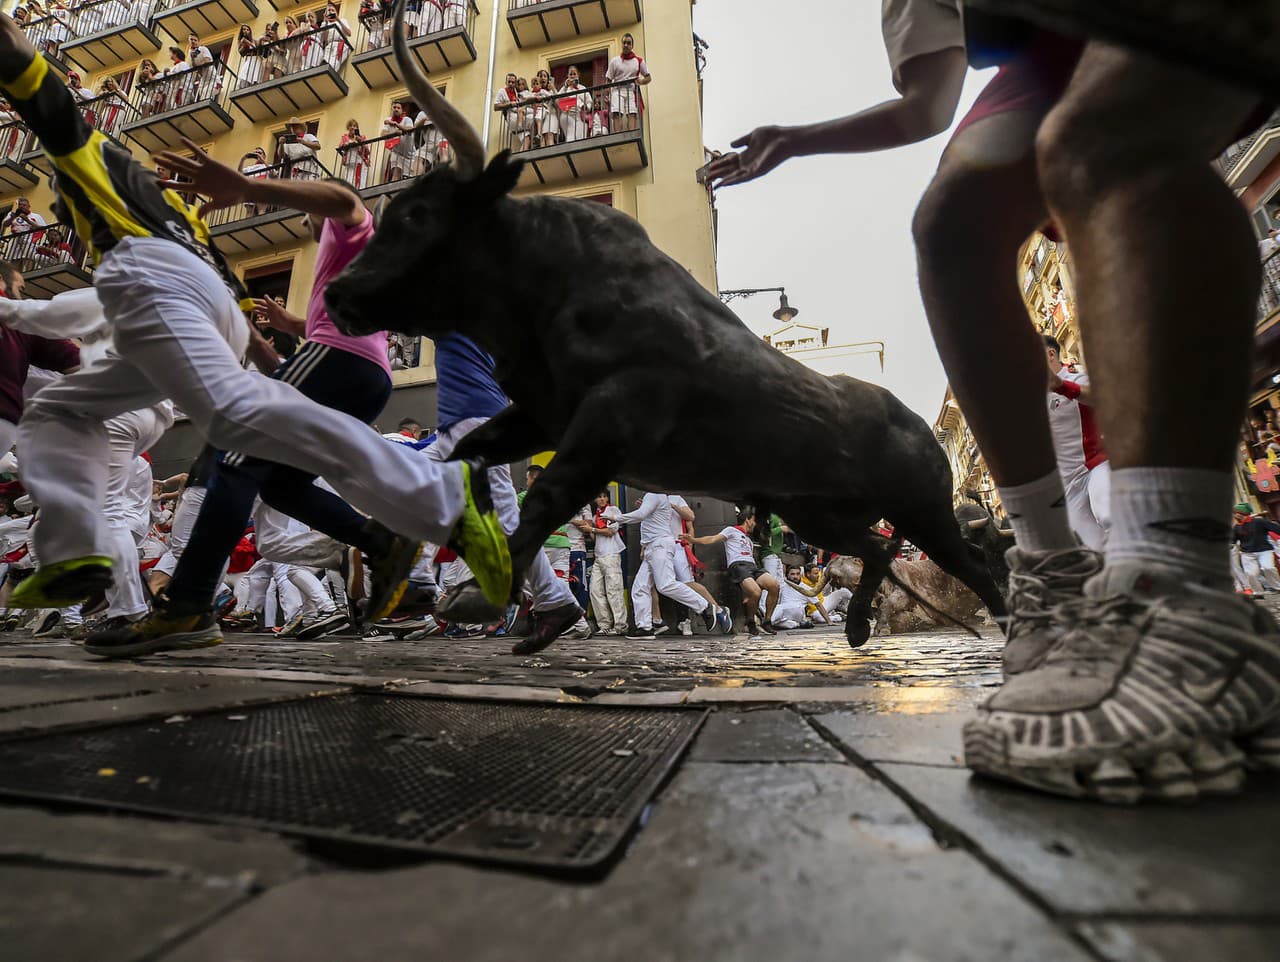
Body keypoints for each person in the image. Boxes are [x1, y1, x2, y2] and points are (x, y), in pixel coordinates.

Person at [710, 1, 1280, 802]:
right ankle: (1053, 582)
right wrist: (798, 139)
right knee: (951, 223)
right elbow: (927, 106)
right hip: (1063, 44)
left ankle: (1185, 602)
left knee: (1104, 145)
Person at [0, 20, 510, 655]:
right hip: (199, 298)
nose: (56, 209)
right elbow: (205, 300)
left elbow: (345, 198)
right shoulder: (179, 213)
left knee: (240, 430)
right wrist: (268, 338)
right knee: (67, 409)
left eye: (58, 202)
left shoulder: (100, 165)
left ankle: (442, 498)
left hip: (165, 284)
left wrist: (243, 187)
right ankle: (80, 557)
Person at [424, 334, 591, 654]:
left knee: (503, 515)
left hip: (472, 422)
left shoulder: (463, 305)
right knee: (401, 482)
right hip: (458, 424)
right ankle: (414, 589)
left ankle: (555, 601)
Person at [619, 491, 731, 641]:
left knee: (682, 583)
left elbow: (690, 517)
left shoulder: (675, 498)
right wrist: (644, 545)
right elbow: (646, 521)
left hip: (675, 545)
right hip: (655, 545)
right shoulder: (651, 499)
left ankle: (715, 609)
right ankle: (650, 624)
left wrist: (670, 506)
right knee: (644, 585)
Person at [1044, 334, 1110, 548]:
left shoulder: (1078, 379)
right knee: (1091, 548)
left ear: (1050, 353)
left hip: (1096, 466)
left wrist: (1061, 386)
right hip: (1068, 483)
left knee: (1108, 513)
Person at [681, 508, 780, 640]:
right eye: (754, 520)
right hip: (738, 565)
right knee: (755, 592)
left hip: (752, 566)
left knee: (774, 585)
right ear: (748, 519)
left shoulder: (749, 540)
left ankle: (767, 621)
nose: (755, 524)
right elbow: (712, 539)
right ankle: (750, 621)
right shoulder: (731, 530)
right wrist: (693, 540)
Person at [586, 488, 626, 634]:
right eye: (599, 496)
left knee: (614, 591)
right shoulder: (595, 515)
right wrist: (590, 529)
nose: (602, 499)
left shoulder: (613, 510)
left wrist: (592, 529)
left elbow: (610, 531)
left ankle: (620, 626)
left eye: (604, 496)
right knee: (595, 591)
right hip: (599, 555)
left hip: (611, 554)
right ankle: (605, 625)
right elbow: (595, 537)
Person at [604, 33, 649, 132]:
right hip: (617, 90)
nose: (626, 45)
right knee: (616, 112)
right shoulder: (615, 61)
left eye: (628, 43)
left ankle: (631, 134)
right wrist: (607, 95)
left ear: (632, 45)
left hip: (631, 90)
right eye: (624, 43)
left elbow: (648, 77)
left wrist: (641, 81)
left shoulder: (639, 61)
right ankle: (617, 134)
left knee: (632, 112)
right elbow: (608, 79)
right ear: (621, 44)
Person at [1231, 503, 1280, 594]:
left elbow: (1276, 529)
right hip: (1247, 553)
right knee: (1251, 574)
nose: (1235, 515)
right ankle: (1258, 592)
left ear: (1243, 513)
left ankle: (1277, 587)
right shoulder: (1237, 527)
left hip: (1264, 550)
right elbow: (1233, 540)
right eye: (1234, 513)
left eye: (1237, 512)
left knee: (1268, 567)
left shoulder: (1259, 522)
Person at [276, 116, 321, 180]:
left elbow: (318, 146)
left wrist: (303, 142)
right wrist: (281, 144)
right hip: (296, 171)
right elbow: (281, 156)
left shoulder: (309, 136)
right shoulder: (287, 143)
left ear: (301, 128)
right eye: (292, 127)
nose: (293, 129)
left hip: (311, 170)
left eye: (296, 127)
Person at [380, 101, 414, 181]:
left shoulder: (407, 119)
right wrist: (395, 133)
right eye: (394, 107)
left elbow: (410, 129)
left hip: (410, 154)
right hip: (396, 152)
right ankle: (393, 193)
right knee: (396, 173)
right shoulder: (388, 120)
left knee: (409, 178)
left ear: (402, 111)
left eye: (398, 108)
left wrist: (396, 124)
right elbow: (383, 134)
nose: (396, 109)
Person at [557, 65, 591, 143]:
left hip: (579, 115)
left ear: (578, 75)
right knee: (570, 135)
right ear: (567, 76)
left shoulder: (582, 88)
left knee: (581, 137)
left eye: (574, 74)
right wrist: (565, 87)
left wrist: (586, 107)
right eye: (570, 74)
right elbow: (557, 100)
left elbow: (589, 101)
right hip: (567, 114)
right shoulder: (564, 88)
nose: (572, 76)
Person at [337, 118, 370, 190]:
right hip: (349, 162)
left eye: (355, 126)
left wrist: (360, 142)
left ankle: (359, 191)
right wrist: (349, 144)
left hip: (359, 162)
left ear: (357, 128)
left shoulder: (362, 137)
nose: (352, 127)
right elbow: (340, 147)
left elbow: (367, 152)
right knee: (349, 180)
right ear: (348, 128)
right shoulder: (344, 137)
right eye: (351, 126)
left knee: (359, 181)